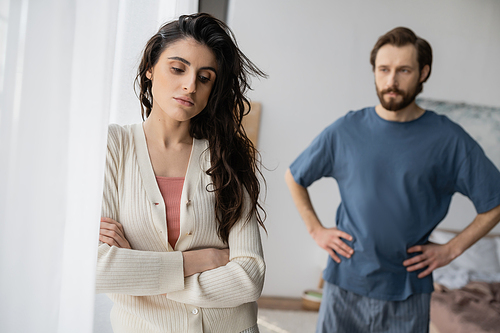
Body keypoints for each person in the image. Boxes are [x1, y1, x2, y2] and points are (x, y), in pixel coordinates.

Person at [285, 27, 500, 333]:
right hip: (344, 286)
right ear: (374, 71)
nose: (391, 82)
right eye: (384, 70)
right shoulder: (346, 130)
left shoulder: (448, 139)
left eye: (404, 70)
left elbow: (494, 201)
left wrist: (451, 250)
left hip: (408, 292)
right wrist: (316, 230)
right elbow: (294, 176)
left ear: (423, 73)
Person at [96, 13, 267, 333]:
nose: (190, 85)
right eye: (177, 68)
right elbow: (96, 269)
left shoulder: (227, 157)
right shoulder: (112, 146)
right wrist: (200, 261)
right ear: (150, 69)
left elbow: (248, 278)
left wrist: (142, 274)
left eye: (205, 78)